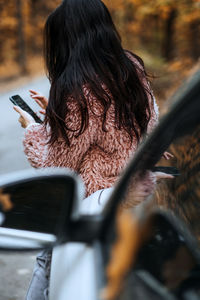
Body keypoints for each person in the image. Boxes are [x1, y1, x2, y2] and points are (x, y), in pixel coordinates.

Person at [13, 0, 173, 298]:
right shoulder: (131, 67)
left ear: (68, 37)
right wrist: (56, 119)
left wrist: (32, 131)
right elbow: (139, 129)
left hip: (93, 209)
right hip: (137, 196)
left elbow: (57, 169)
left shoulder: (76, 88)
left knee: (46, 263)